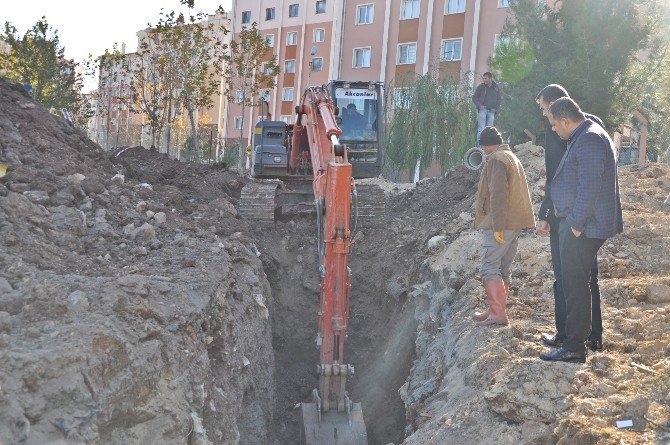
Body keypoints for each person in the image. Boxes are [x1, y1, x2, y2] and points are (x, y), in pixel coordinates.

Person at [540, 98, 623, 363]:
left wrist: (575, 224)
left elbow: (590, 186)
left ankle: (575, 347)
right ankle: (575, 340)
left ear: (565, 121)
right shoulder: (587, 134)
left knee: (575, 285)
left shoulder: (588, 139)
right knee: (576, 283)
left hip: (584, 227)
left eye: (554, 124)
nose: (553, 129)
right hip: (582, 225)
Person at [535, 84, 606, 352]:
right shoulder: (592, 123)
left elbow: (556, 176)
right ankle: (594, 336)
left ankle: (568, 336)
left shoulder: (561, 131)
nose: (546, 118)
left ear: (556, 107)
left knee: (567, 277)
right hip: (586, 217)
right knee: (588, 278)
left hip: (570, 216)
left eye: (544, 109)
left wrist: (546, 214)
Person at [473, 127, 536, 326]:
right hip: (515, 222)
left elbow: (498, 195)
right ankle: (495, 309)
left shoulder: (496, 160)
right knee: (502, 267)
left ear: (486, 145)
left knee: (489, 267)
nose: (483, 150)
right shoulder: (510, 156)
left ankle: (498, 313)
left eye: (483, 146)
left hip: (502, 222)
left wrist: (497, 226)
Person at [472, 72, 501, 146]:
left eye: (485, 78)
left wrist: (496, 108)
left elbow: (499, 99)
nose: (484, 80)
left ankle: (487, 147)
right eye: (483, 78)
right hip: (482, 111)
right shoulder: (481, 87)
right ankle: (479, 148)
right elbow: (474, 97)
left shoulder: (496, 87)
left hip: (491, 112)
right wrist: (479, 105)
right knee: (481, 129)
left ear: (490, 78)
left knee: (489, 131)